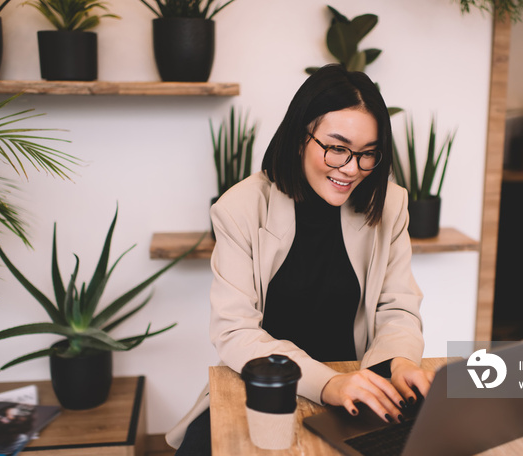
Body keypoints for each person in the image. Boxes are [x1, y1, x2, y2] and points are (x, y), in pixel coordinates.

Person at [166, 64, 434, 455]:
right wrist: (327, 384)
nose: (351, 169)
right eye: (337, 148)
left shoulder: (389, 204)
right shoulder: (240, 208)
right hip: (263, 386)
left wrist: (401, 362)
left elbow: (398, 309)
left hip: (357, 388)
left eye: (367, 155)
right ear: (299, 138)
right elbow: (235, 332)